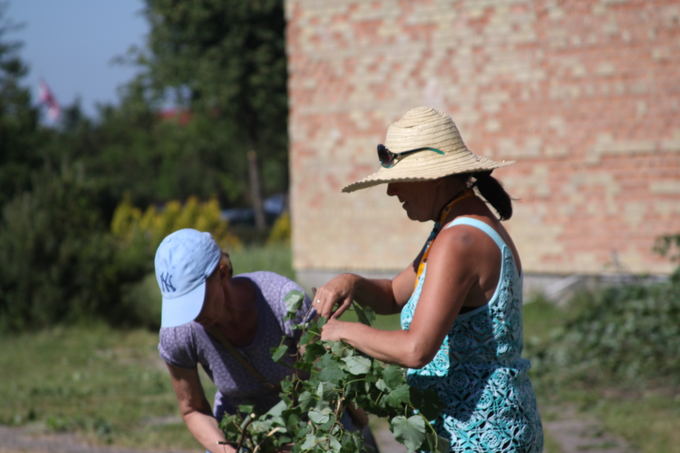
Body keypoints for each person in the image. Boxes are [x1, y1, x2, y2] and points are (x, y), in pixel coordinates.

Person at [315, 106, 544, 452]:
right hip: (473, 429)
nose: (392, 191)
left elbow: (416, 349)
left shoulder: (458, 240)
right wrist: (353, 282)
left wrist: (342, 331)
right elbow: (395, 294)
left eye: (399, 179)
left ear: (432, 176)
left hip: (480, 436)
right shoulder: (453, 225)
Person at [154, 228, 316, 453]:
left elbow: (320, 385)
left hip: (307, 416)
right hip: (240, 428)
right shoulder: (179, 331)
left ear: (222, 272)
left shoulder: (285, 303)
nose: (191, 315)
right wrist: (228, 451)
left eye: (196, 300)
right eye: (182, 304)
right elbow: (192, 409)